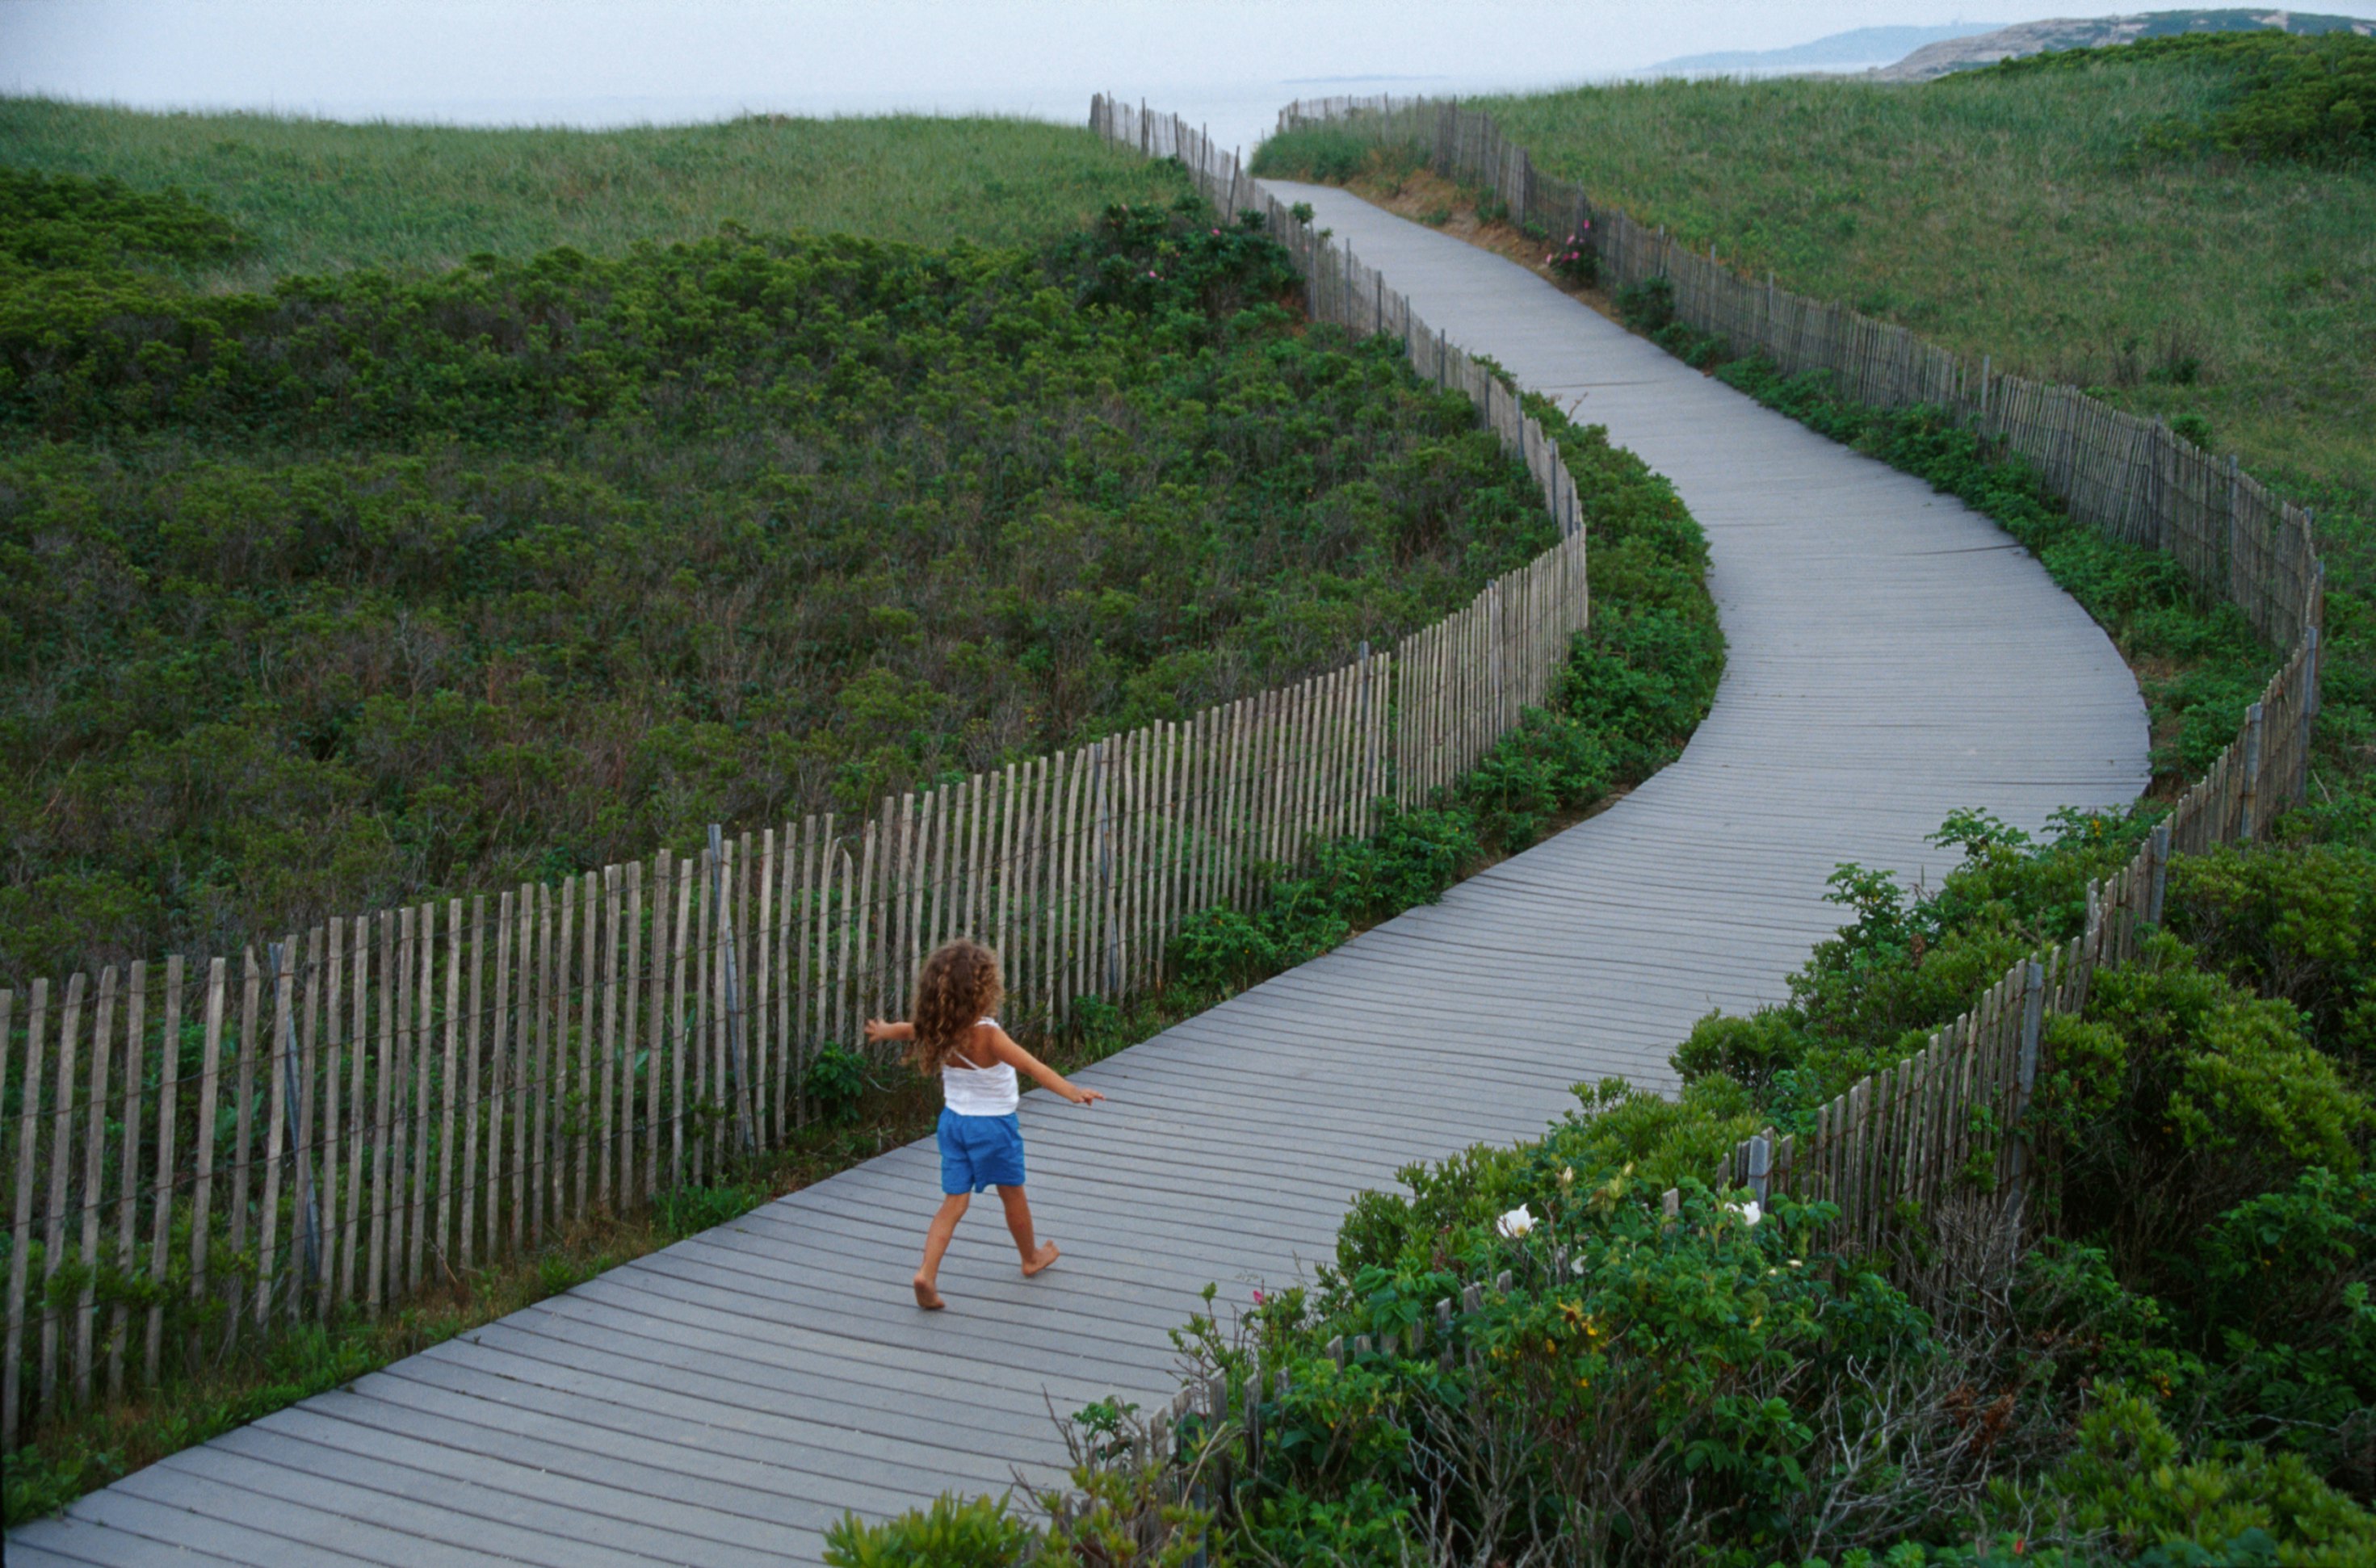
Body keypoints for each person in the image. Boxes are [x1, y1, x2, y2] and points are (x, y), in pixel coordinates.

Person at [863, 938, 1105, 1310]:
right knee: (1013, 1194)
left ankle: (926, 1273)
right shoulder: (989, 1035)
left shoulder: (939, 1028)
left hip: (953, 1125)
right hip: (992, 1129)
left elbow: (906, 1029)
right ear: (984, 990)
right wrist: (1072, 1091)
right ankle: (1030, 1257)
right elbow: (1032, 1067)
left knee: (953, 1204)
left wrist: (882, 1031)